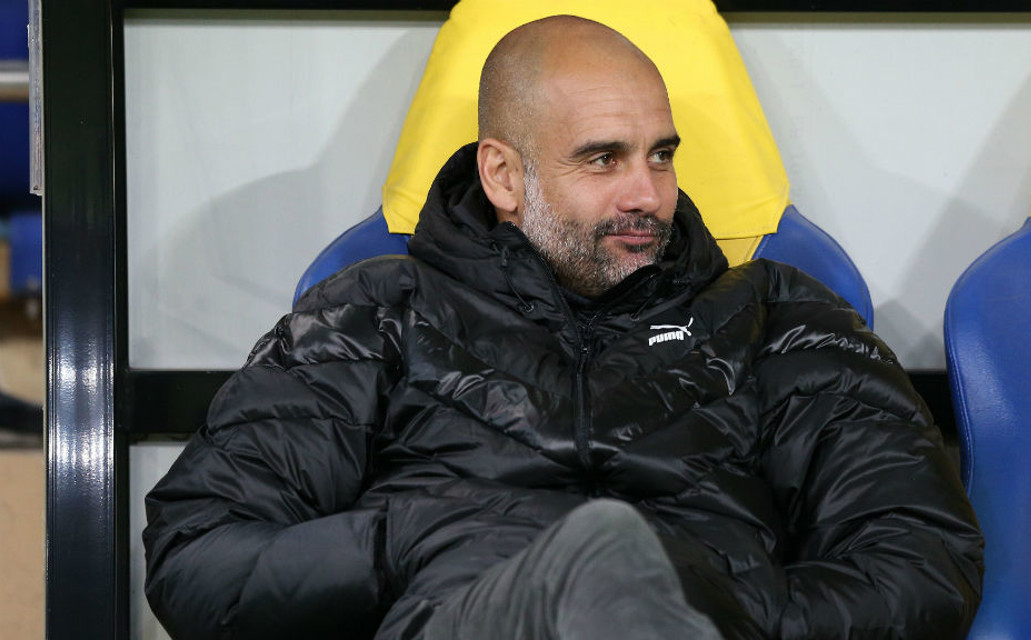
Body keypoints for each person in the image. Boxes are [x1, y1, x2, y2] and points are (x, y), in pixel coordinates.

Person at [144, 15, 983, 640]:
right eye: (602, 158)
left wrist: (693, 594)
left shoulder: (778, 317)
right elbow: (199, 553)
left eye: (661, 154)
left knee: (611, 561)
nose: (647, 194)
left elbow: (921, 561)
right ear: (504, 175)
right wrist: (422, 541)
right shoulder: (373, 314)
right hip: (465, 619)